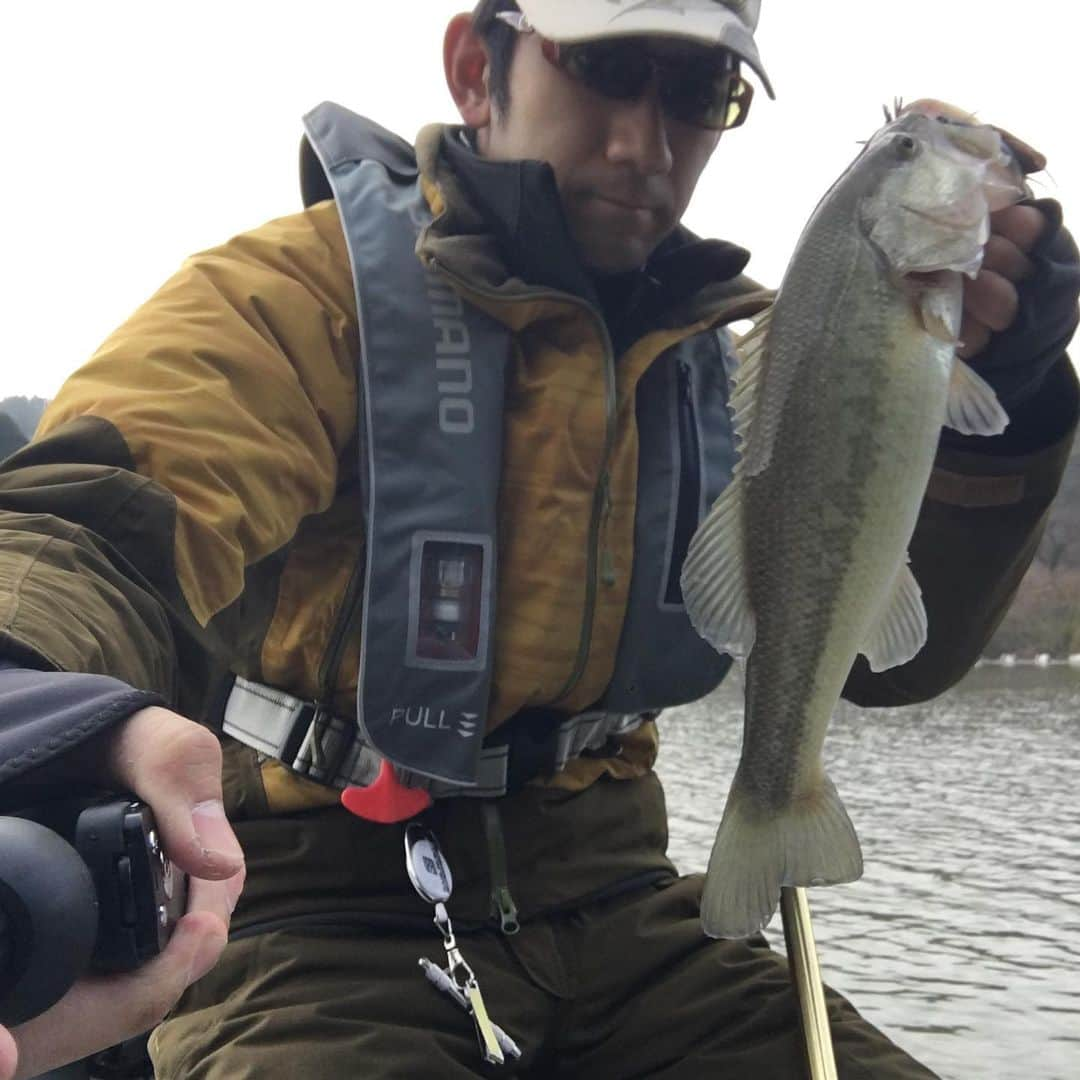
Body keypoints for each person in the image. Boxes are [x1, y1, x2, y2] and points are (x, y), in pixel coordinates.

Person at [0, 1, 1077, 1076]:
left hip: (635, 914)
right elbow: (92, 516)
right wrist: (21, 693)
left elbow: (891, 666)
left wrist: (1014, 406)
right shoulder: (288, 303)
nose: (645, 143)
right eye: (607, 68)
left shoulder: (734, 370)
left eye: (700, 94)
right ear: (479, 69)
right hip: (306, 927)